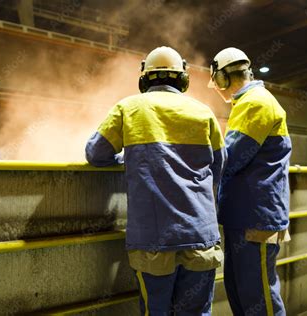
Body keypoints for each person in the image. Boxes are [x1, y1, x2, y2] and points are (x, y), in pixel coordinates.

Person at [86, 46, 226, 315]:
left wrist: (129, 161)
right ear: (182, 78)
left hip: (153, 240)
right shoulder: (203, 112)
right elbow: (219, 167)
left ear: (145, 78)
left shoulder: (128, 108)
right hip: (200, 235)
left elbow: (95, 153)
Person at [207, 47, 292, 316]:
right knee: (241, 292)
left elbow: (230, 158)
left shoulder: (256, 103)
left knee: (259, 298)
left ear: (222, 78)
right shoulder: (248, 102)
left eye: (216, 83)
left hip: (256, 218)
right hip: (244, 217)